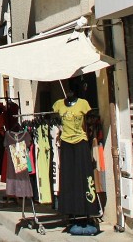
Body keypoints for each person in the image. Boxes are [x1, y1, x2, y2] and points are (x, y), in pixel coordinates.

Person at [53, 77, 101, 224]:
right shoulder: (58, 105)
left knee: (84, 175)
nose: (69, 92)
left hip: (80, 141)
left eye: (71, 90)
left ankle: (87, 208)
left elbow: (89, 119)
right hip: (66, 142)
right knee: (67, 177)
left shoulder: (83, 104)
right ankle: (69, 209)